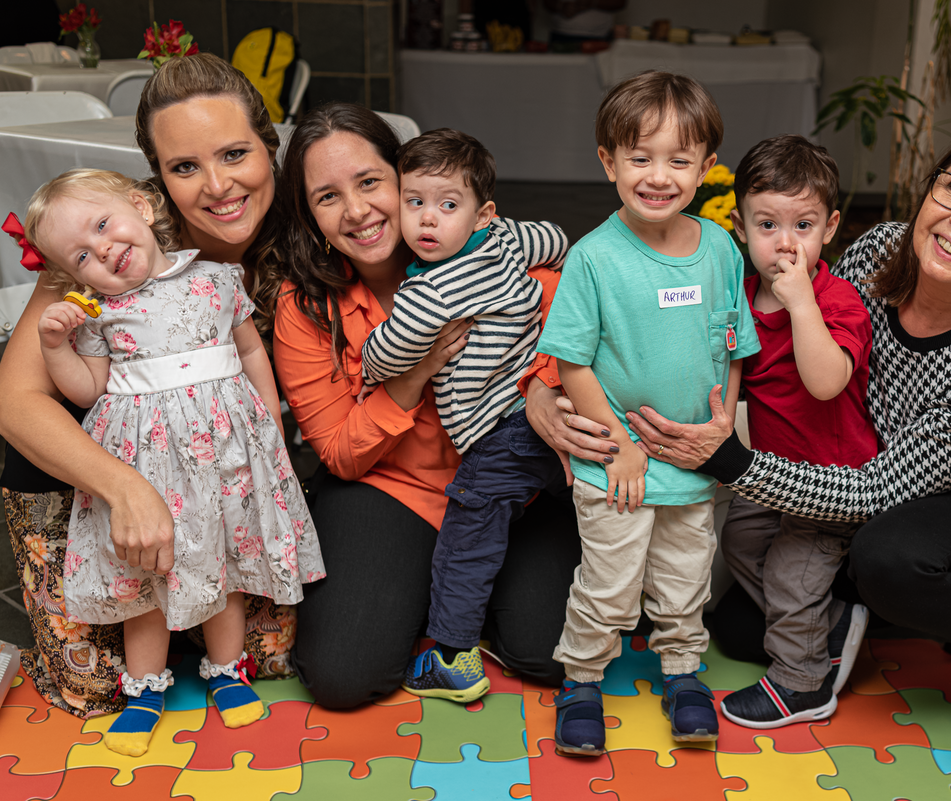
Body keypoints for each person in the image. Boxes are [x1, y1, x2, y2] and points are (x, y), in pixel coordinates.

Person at [620, 118, 951, 768]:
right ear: (929, 191)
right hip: (869, 472)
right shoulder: (881, 255)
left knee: (888, 555)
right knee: (740, 629)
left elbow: (873, 493)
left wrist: (731, 458)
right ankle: (867, 613)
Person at [272, 103, 616, 709]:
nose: (356, 211)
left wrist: (538, 384)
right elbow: (339, 453)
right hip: (390, 486)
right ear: (310, 215)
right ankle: (430, 592)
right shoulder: (305, 306)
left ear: (406, 177)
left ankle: (460, 600)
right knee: (343, 676)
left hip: (509, 479)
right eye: (327, 197)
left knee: (553, 653)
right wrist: (417, 370)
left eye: (372, 183)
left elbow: (564, 298)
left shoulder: (478, 246)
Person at [0, 53, 294, 720]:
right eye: (185, 167)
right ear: (154, 182)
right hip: (108, 481)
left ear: (269, 146)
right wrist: (125, 488)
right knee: (89, 687)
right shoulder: (100, 245)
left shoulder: (305, 234)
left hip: (234, 475)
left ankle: (215, 648)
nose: (218, 185)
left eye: (236, 153)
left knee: (276, 652)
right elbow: (11, 405)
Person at [20, 167, 324, 755]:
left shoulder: (216, 279)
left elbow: (250, 351)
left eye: (104, 225)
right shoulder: (97, 313)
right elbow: (87, 391)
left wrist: (270, 425)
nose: (103, 249)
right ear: (72, 274)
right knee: (147, 577)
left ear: (141, 206)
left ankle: (226, 671)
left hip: (226, 456)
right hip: (147, 464)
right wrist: (55, 346)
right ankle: (145, 691)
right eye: (82, 254)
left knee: (224, 564)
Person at [536, 71, 759, 757]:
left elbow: (733, 342)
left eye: (678, 159)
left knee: (685, 576)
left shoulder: (721, 248)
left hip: (692, 460)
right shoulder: (595, 258)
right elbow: (572, 363)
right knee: (608, 582)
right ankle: (581, 678)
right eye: (640, 157)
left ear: (706, 168)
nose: (658, 176)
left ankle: (682, 670)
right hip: (618, 463)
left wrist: (723, 429)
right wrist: (620, 445)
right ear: (608, 162)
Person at [360, 128, 568, 702]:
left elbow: (382, 357)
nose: (428, 221)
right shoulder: (504, 240)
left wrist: (372, 364)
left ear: (481, 214)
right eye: (415, 202)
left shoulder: (429, 293)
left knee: (467, 539)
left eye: (448, 205)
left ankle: (453, 657)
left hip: (499, 432)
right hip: (548, 412)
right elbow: (554, 237)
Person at [716, 135, 877, 728]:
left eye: (803, 225)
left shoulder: (839, 303)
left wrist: (802, 305)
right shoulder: (741, 296)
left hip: (835, 483)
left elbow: (827, 382)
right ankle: (828, 623)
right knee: (739, 543)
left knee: (790, 571)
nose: (785, 243)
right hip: (776, 477)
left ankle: (803, 683)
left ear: (830, 227)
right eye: (767, 225)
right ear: (741, 227)